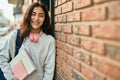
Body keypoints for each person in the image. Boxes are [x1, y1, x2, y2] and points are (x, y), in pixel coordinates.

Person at [0, 2, 56, 80]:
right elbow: (2, 58)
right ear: (28, 16)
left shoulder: (49, 41)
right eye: (33, 14)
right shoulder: (17, 35)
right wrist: (11, 77)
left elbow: (49, 71)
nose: (36, 18)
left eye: (41, 16)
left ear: (45, 19)